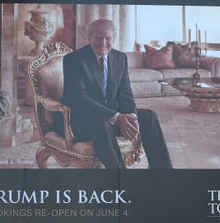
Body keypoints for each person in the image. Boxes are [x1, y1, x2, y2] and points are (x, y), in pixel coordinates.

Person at [62, 18, 173, 169]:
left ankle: (164, 173)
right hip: (83, 122)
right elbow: (79, 99)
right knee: (103, 123)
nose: (103, 43)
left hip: (111, 119)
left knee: (149, 117)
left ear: (113, 39)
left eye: (108, 38)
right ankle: (121, 179)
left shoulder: (120, 58)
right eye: (98, 38)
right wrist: (116, 117)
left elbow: (125, 93)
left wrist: (131, 116)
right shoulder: (74, 60)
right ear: (89, 38)